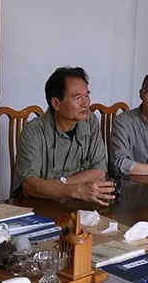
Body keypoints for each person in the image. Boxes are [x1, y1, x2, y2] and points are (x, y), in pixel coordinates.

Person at [12, 67, 115, 206]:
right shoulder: (34, 131)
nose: (85, 103)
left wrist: (58, 184)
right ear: (56, 103)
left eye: (86, 95)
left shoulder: (90, 121)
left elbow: (100, 172)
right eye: (77, 98)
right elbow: (29, 185)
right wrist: (74, 189)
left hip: (82, 204)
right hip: (41, 206)